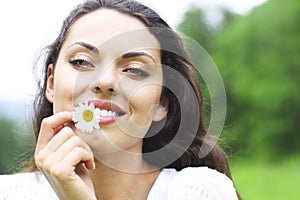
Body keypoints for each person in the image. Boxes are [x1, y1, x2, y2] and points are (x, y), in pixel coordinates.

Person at [0, 0, 240, 199]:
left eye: (134, 69)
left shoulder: (198, 192)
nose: (104, 81)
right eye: (82, 62)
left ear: (162, 103)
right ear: (51, 83)